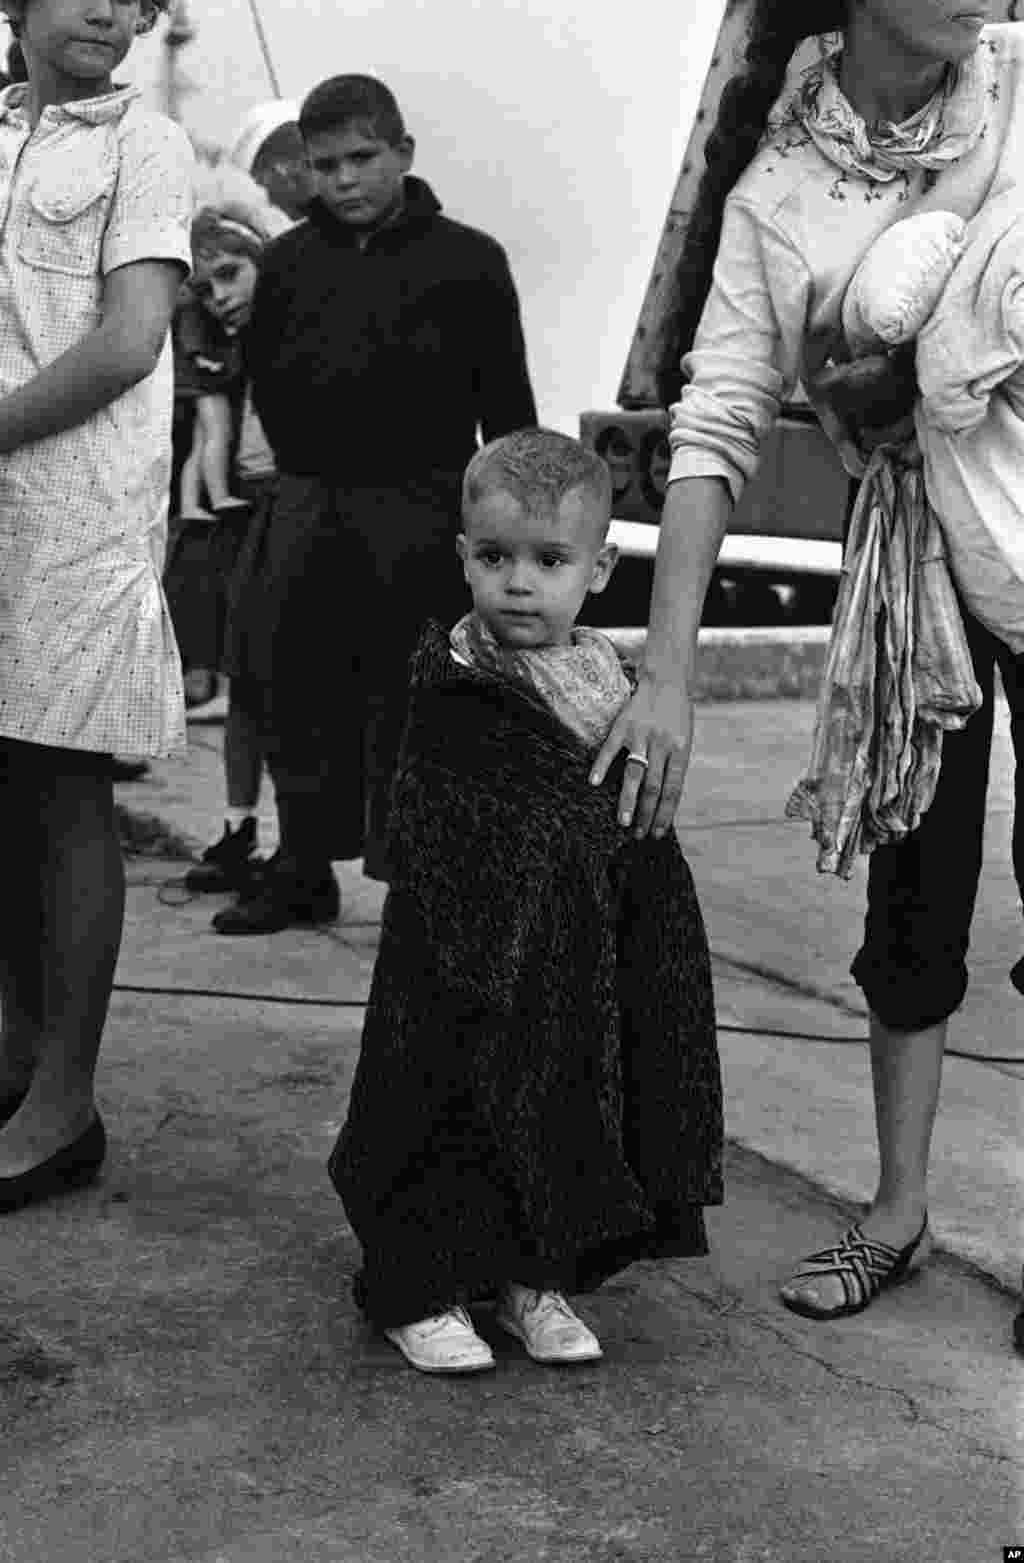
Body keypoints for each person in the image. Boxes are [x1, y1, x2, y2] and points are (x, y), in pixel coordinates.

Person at [590, 1, 1023, 1328]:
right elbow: (715, 422)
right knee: (916, 879)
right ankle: (896, 1210)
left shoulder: (1018, 92)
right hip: (912, 565)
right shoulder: (778, 189)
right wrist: (663, 670)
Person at [328, 428, 723, 1374]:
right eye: (496, 557)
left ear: (600, 568)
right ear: (462, 555)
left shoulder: (609, 685)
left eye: (549, 561)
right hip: (459, 961)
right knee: (444, 1102)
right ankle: (416, 1286)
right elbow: (429, 811)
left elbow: (630, 829)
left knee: (559, 1110)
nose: (518, 583)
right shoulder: (453, 680)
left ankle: (527, 1278)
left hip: (567, 961)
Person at [220, 73, 538, 935]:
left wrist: (511, 542)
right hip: (312, 499)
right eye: (325, 165)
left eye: (363, 158)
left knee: (418, 704)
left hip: (426, 509)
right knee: (298, 689)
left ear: (402, 152)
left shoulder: (471, 260)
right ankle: (302, 866)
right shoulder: (286, 263)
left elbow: (508, 412)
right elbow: (271, 387)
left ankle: (421, 881)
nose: (345, 180)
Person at [0, 0, 192, 1209]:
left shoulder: (147, 142)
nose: (114, 11)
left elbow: (129, 342)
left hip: (78, 518)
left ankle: (64, 1104)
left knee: (64, 789)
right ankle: (14, 1052)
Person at [167, 181, 289, 904]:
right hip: (251, 511)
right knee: (246, 681)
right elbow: (213, 430)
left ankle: (299, 842)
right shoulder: (220, 341)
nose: (219, 296)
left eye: (231, 275)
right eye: (207, 286)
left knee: (288, 686)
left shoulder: (299, 323)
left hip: (293, 505)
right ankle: (241, 824)